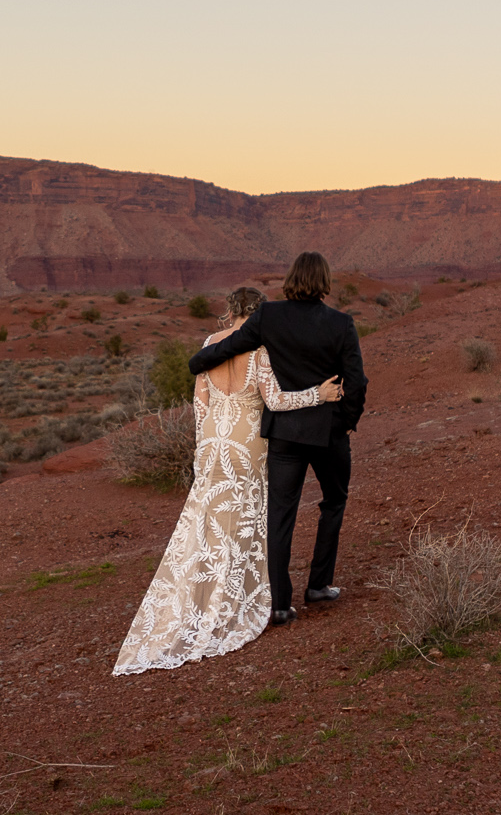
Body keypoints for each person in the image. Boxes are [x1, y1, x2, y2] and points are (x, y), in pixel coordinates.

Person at [112, 286, 344, 674]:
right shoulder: (260, 351)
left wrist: (202, 452)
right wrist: (318, 395)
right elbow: (276, 402)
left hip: (214, 445)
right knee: (245, 523)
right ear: (258, 315)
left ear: (229, 311)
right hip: (247, 444)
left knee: (207, 526)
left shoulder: (210, 344)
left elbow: (199, 405)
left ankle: (199, 599)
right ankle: (235, 601)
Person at [183, 251, 367, 625]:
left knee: (281, 513)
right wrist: (345, 422)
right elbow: (357, 383)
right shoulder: (341, 323)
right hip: (328, 432)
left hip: (284, 435)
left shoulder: (269, 316)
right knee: (333, 502)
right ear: (325, 282)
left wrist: (197, 362)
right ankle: (318, 586)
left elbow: (227, 348)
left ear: (291, 279)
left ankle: (279, 605)